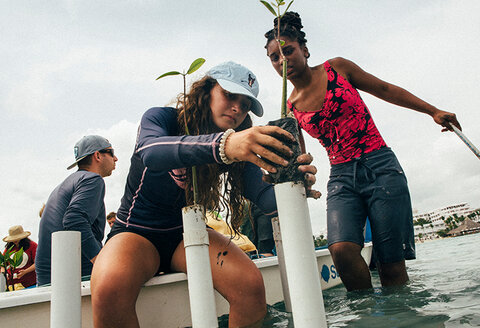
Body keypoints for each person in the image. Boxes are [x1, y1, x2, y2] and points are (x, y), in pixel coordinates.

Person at [90, 61, 320, 328]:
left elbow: (266, 199)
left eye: (245, 104)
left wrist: (293, 183)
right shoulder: (161, 118)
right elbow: (150, 152)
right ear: (207, 90)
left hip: (188, 235)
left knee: (249, 285)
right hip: (136, 233)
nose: (237, 108)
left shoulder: (238, 143)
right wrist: (224, 145)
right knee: (108, 287)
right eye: (229, 95)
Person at [264, 12, 461, 291]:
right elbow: (302, 160)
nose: (283, 61)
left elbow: (385, 89)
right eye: (275, 57)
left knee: (391, 267)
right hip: (342, 178)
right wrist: (300, 181)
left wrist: (433, 111)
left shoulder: (337, 68)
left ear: (304, 50)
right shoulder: (290, 109)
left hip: (381, 165)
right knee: (341, 250)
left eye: (288, 51)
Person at [35, 135, 118, 286]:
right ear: (97, 156)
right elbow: (74, 220)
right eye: (111, 152)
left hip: (47, 281)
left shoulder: (64, 184)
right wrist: (101, 263)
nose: (116, 158)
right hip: (75, 280)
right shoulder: (92, 179)